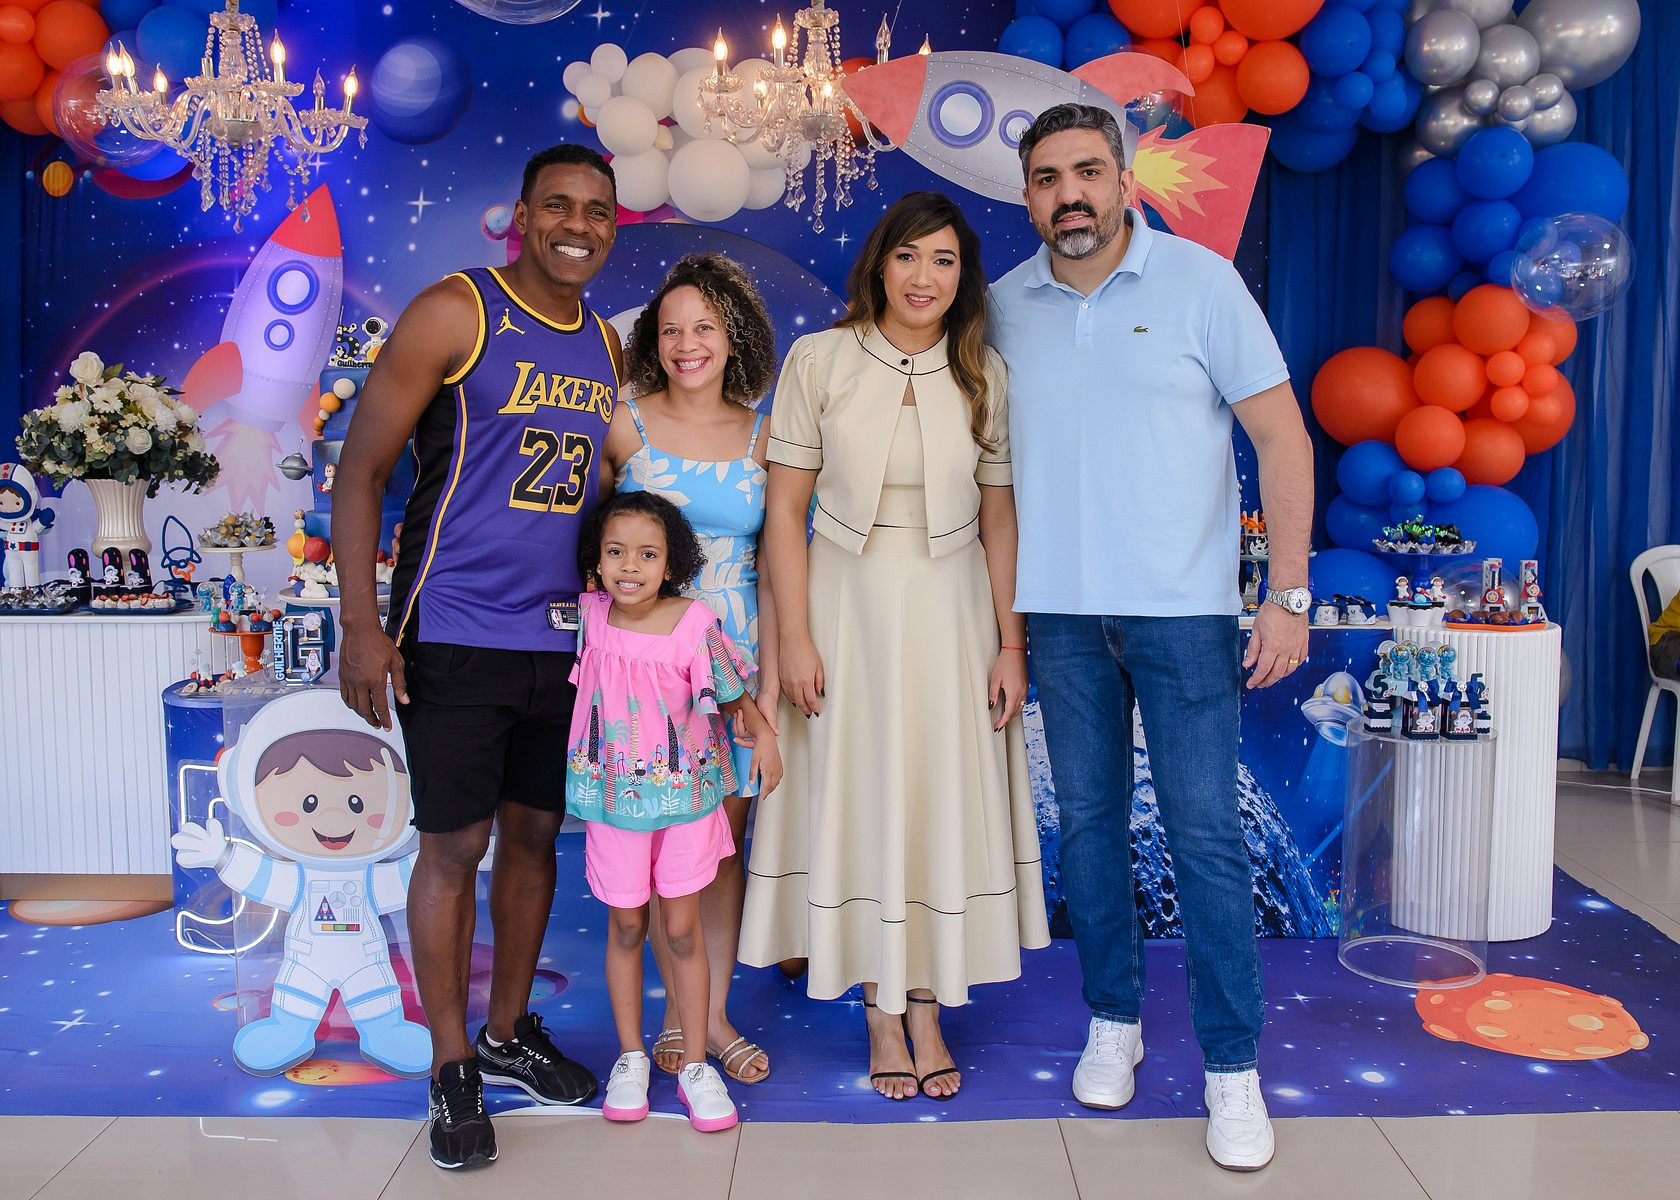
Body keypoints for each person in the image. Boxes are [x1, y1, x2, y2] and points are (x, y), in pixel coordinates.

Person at [989, 103, 1314, 1171]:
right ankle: (1113, 1020)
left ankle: (1232, 1067)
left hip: (1184, 614)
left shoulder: (1201, 283)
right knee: (1088, 828)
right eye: (1048, 178)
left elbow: (1282, 438)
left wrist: (1287, 595)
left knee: (1205, 835)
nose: (1069, 194)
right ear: (1027, 196)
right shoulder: (1002, 307)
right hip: (1060, 615)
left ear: (1125, 181)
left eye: (1088, 171)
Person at [334, 143, 620, 1170]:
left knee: (536, 840)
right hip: (454, 630)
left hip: (563, 639)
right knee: (453, 848)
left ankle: (506, 1034)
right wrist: (361, 624)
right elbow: (361, 472)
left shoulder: (605, 343)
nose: (578, 225)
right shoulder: (456, 312)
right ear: (523, 216)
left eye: (597, 209)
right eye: (559, 205)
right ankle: (451, 1063)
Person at [740, 191, 1050, 1102]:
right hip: (844, 607)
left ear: (965, 276)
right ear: (880, 263)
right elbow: (784, 512)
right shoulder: (820, 359)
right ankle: (879, 1010)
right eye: (909, 256)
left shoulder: (985, 372)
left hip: (953, 612)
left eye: (944, 260)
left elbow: (1001, 519)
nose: (924, 277)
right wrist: (795, 637)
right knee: (863, 795)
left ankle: (927, 1006)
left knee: (932, 799)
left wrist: (1011, 644)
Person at [603, 252, 782, 1086]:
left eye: (704, 327)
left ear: (733, 335)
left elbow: (779, 563)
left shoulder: (764, 433)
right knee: (658, 843)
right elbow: (592, 547)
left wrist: (770, 680)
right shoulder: (623, 424)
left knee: (718, 847)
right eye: (670, 330)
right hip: (648, 671)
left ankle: (710, 1016)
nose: (686, 344)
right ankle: (675, 1013)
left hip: (735, 661)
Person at [567, 490, 782, 1132]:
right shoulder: (588, 617)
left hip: (684, 802)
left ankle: (695, 1064)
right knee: (626, 926)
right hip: (613, 807)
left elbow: (735, 696)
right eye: (616, 552)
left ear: (671, 564)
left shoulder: (694, 623)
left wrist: (765, 737)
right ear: (597, 560)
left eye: (647, 554)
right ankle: (630, 1057)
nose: (630, 566)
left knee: (683, 929)